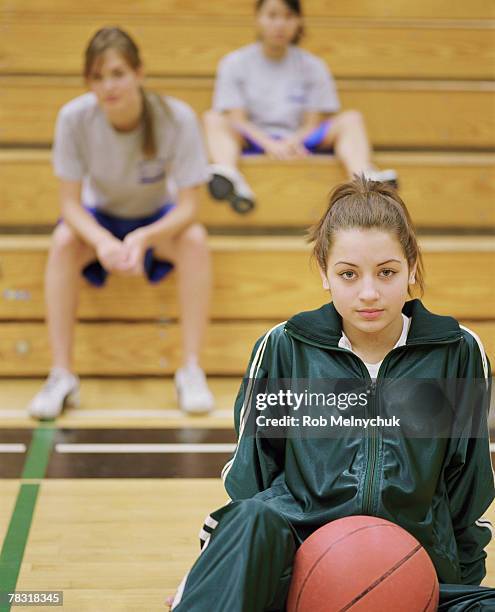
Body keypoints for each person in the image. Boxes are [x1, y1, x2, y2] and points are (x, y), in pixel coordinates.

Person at [168, 177, 495, 611]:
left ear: (411, 267)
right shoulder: (285, 347)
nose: (368, 293)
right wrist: (219, 577)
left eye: (387, 272)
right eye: (348, 274)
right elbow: (249, 481)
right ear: (324, 273)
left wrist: (459, 584)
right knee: (252, 518)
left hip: (413, 572)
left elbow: (467, 486)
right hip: (300, 571)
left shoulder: (457, 352)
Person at [28, 27, 215, 419]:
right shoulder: (74, 118)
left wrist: (145, 236)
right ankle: (61, 374)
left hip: (155, 220)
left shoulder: (175, 118)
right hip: (101, 218)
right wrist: (102, 242)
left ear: (139, 73)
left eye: (117, 73)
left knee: (195, 240)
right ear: (88, 82)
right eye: (97, 77)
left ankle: (191, 369)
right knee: (63, 241)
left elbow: (189, 207)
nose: (108, 85)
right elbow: (69, 203)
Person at [204, 0, 398, 214]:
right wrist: (269, 144)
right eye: (272, 15)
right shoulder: (234, 63)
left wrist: (291, 142)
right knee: (213, 118)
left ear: (298, 21)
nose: (280, 24)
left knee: (351, 119)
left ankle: (365, 179)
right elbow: (237, 119)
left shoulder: (313, 66)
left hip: (301, 139)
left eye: (288, 16)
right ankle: (229, 176)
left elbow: (313, 123)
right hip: (252, 138)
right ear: (258, 19)